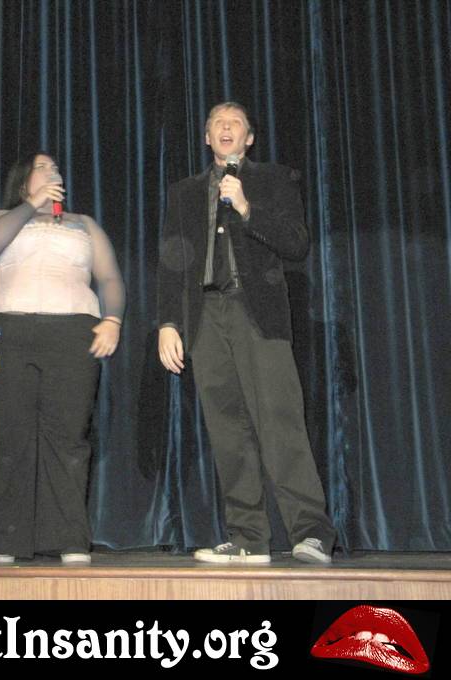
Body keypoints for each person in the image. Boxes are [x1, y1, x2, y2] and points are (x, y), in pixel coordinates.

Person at [157, 102, 335, 564]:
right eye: (217, 122)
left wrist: (246, 207)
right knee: (227, 431)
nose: (226, 127)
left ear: (249, 138)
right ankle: (247, 537)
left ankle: (311, 532)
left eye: (235, 122)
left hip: (257, 313)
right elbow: (172, 263)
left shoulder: (273, 179)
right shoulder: (184, 193)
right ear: (206, 137)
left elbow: (296, 243)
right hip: (205, 318)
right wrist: (168, 323)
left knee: (280, 422)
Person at [0, 152, 125, 565]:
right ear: (24, 181)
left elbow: (109, 276)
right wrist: (32, 204)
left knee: (68, 437)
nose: (51, 169)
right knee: (11, 436)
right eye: (41, 166)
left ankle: (69, 540)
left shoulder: (83, 224)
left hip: (72, 331)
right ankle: (3, 541)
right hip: (8, 330)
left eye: (55, 166)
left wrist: (112, 320)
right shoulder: (4, 217)